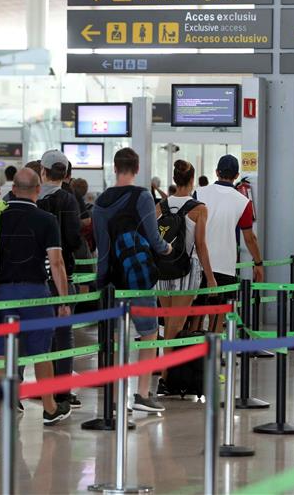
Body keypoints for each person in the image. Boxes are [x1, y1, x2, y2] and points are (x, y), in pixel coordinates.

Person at [0, 168, 72, 430]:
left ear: (13, 189)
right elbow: (57, 262)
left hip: (2, 293)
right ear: (38, 190)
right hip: (36, 293)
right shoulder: (47, 220)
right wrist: (63, 300)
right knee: (41, 352)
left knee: (2, 353)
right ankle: (50, 408)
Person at [93, 148, 172, 412]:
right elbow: (153, 237)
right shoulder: (142, 196)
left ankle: (115, 400)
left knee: (115, 338)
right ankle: (142, 394)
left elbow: (102, 249)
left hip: (112, 279)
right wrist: (167, 249)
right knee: (148, 333)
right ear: (136, 169)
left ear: (114, 168)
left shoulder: (100, 202)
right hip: (138, 278)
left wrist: (101, 280)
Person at [154, 160, 217, 396]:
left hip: (163, 269)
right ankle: (165, 377)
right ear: (191, 181)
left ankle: (166, 374)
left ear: (174, 179)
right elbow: (200, 245)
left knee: (168, 323)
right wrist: (210, 278)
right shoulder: (199, 208)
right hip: (186, 270)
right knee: (176, 325)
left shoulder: (160, 206)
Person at [37, 150, 83, 408]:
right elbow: (74, 239)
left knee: (34, 335)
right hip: (62, 272)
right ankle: (62, 391)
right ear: (66, 174)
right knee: (63, 334)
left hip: (33, 275)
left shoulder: (27, 196)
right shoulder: (68, 200)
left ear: (42, 171)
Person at [196, 154, 264, 288]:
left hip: (197, 265)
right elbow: (249, 239)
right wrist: (258, 263)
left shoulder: (199, 193)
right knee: (222, 308)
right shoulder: (243, 202)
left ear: (216, 172)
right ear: (237, 175)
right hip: (225, 266)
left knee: (197, 309)